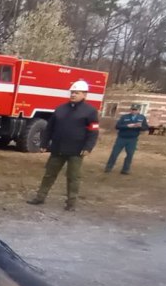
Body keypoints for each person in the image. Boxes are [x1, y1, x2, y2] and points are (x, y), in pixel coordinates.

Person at [27, 80, 100, 211]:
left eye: (77, 93)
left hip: (76, 151)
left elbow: (93, 131)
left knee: (73, 177)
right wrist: (44, 143)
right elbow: (49, 128)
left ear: (84, 95)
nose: (73, 95)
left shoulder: (90, 112)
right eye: (72, 92)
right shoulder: (60, 109)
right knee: (49, 174)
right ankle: (40, 197)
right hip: (57, 148)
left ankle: (71, 203)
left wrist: (88, 147)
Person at [104, 104, 147, 175]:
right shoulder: (124, 117)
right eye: (132, 109)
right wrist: (127, 126)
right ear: (130, 110)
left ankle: (125, 170)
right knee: (115, 153)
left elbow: (146, 127)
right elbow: (117, 126)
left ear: (139, 110)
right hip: (121, 138)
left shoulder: (142, 118)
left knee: (130, 154)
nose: (134, 111)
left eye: (135, 110)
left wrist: (141, 126)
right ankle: (108, 167)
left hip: (133, 139)